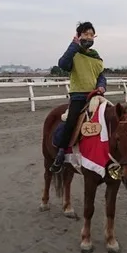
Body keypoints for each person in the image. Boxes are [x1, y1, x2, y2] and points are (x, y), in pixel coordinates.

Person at [50, 22, 106, 172]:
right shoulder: (74, 53)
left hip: (95, 96)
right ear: (79, 36)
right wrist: (73, 45)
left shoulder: (96, 57)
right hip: (78, 96)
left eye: (91, 34)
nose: (88, 37)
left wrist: (102, 86)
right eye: (85, 34)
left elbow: (101, 76)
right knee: (71, 121)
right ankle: (61, 152)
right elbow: (63, 64)